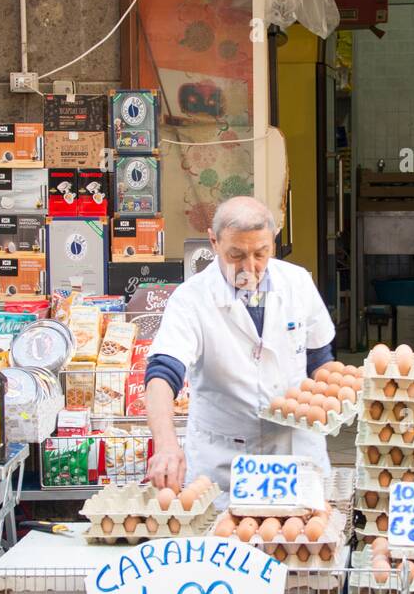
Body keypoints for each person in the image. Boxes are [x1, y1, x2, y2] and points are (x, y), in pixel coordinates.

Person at [144, 196, 336, 493]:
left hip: (294, 453)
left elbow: (320, 358)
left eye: (261, 253)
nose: (249, 267)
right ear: (213, 242)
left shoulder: (297, 283)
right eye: (236, 255)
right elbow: (163, 371)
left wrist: (335, 395)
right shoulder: (191, 299)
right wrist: (166, 444)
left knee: (298, 535)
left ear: (273, 241)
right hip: (225, 463)